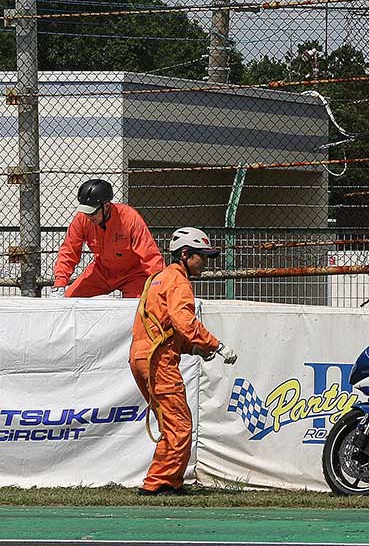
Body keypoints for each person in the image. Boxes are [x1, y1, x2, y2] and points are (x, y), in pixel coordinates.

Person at [131, 226, 237, 496]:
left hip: (142, 357)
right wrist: (216, 345)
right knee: (179, 424)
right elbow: (184, 321)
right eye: (202, 256)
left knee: (171, 423)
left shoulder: (158, 279)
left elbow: (163, 327)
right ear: (186, 254)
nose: (205, 262)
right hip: (158, 361)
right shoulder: (178, 281)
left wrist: (193, 348)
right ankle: (158, 483)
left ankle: (169, 481)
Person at [53, 179, 164, 298]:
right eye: (86, 212)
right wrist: (59, 283)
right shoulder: (82, 219)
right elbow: (69, 251)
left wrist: (162, 285)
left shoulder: (129, 218)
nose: (89, 217)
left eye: (92, 213)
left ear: (106, 206)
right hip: (102, 271)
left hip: (133, 274)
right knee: (70, 299)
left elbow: (150, 255)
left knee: (136, 306)